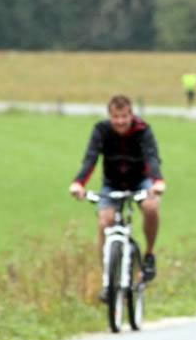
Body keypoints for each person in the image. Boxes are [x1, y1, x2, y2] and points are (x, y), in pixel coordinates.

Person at [69, 95, 167, 300]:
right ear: (110, 116)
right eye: (115, 117)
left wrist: (157, 181)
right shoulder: (101, 131)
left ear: (131, 115)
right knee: (105, 222)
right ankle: (108, 280)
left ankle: (149, 254)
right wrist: (79, 183)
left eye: (124, 117)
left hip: (140, 181)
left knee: (151, 207)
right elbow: (90, 158)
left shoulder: (142, 131)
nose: (120, 122)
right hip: (112, 184)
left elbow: (151, 157)